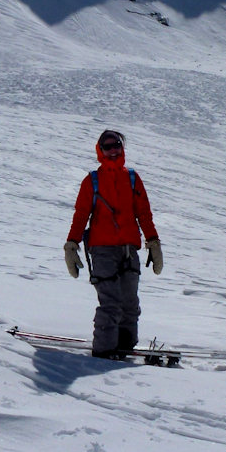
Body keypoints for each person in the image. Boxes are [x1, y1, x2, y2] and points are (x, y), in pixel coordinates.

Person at [64, 129, 163, 358]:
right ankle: (104, 353)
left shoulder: (132, 178)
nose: (113, 150)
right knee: (110, 303)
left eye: (116, 145)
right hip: (102, 250)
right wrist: (72, 245)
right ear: (100, 150)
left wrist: (153, 242)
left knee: (130, 304)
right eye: (107, 147)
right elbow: (80, 215)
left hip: (129, 249)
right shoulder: (92, 181)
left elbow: (144, 214)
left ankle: (125, 349)